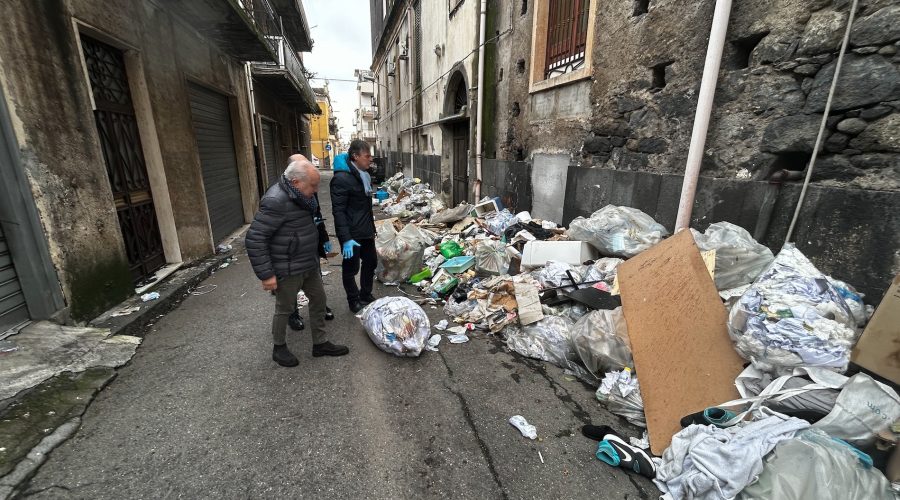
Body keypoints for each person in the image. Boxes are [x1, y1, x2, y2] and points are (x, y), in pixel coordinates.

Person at [246, 159, 349, 367]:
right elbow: (255, 238)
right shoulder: (275, 200)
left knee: (319, 301)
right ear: (295, 182)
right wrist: (266, 275)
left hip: (308, 262)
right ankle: (279, 347)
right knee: (284, 308)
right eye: (312, 185)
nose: (315, 189)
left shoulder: (304, 197)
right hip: (288, 266)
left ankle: (320, 343)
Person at [286, 153, 334, 331]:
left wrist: (324, 238)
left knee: (316, 280)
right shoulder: (279, 193)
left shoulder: (308, 188)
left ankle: (320, 307)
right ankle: (292, 314)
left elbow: (317, 214)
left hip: (311, 244)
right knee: (291, 285)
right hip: (291, 249)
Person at [330, 140, 377, 313]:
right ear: (355, 157)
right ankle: (353, 299)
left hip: (365, 231)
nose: (370, 159)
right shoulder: (341, 179)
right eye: (367, 156)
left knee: (371, 262)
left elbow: (365, 207)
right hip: (351, 234)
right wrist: (346, 238)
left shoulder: (364, 175)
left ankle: (365, 294)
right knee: (351, 268)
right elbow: (338, 211)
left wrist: (372, 229)